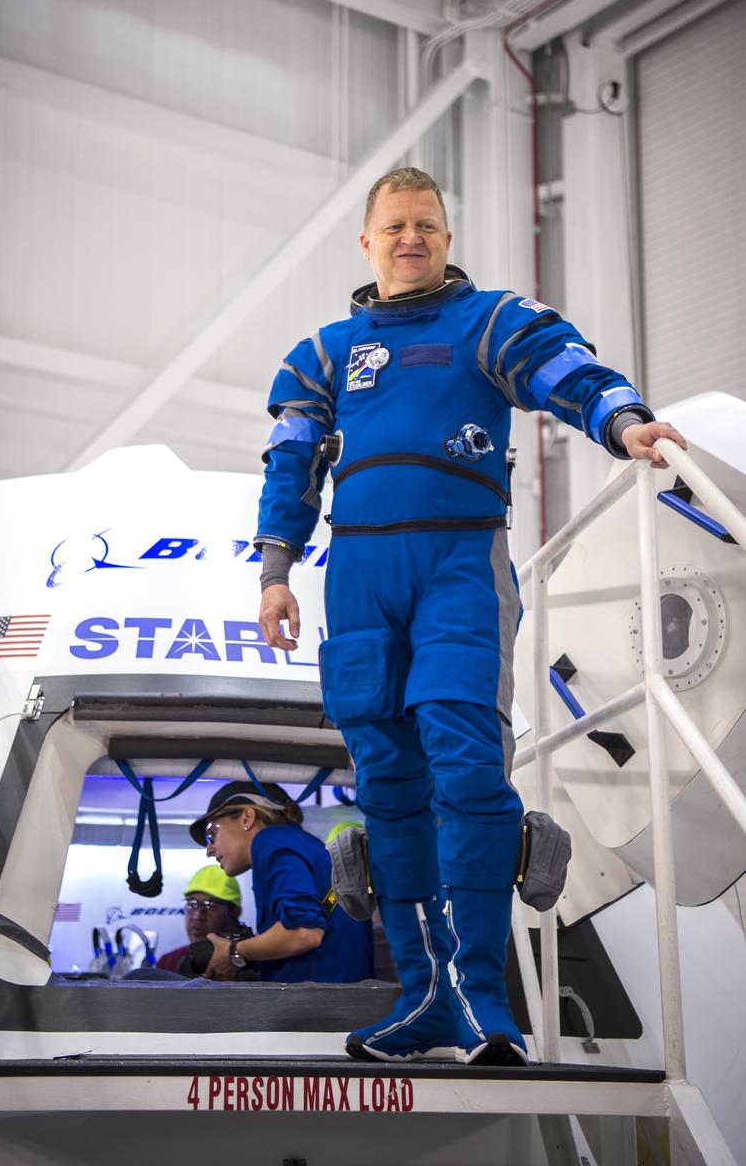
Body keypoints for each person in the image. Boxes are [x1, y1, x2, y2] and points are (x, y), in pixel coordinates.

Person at [253, 166, 687, 1066]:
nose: (411, 238)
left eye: (427, 226)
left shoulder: (490, 322)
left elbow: (565, 369)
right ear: (367, 243)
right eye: (395, 226)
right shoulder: (323, 352)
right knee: (387, 787)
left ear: (445, 240)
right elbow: (291, 459)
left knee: (465, 765)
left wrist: (622, 422)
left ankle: (483, 1002)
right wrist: (275, 571)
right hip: (359, 576)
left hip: (459, 563)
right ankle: (424, 999)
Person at [188, 782, 375, 983]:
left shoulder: (269, 841)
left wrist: (233, 951)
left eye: (211, 833)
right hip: (341, 997)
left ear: (247, 818)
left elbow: (304, 933)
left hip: (318, 1005)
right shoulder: (301, 844)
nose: (209, 849)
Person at [156, 864, 244, 974]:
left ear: (234, 912)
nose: (197, 916)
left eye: (209, 905)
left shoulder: (251, 964)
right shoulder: (168, 963)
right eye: (192, 904)